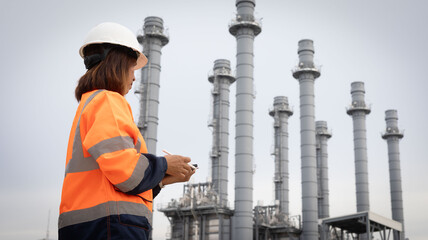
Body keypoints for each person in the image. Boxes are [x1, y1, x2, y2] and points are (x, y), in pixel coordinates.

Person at [58, 22, 195, 240]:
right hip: (111, 226)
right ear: (118, 64)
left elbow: (112, 177)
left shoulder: (90, 104)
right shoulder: (108, 100)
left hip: (92, 226)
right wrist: (166, 164)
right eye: (132, 69)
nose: (133, 78)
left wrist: (161, 178)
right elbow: (127, 173)